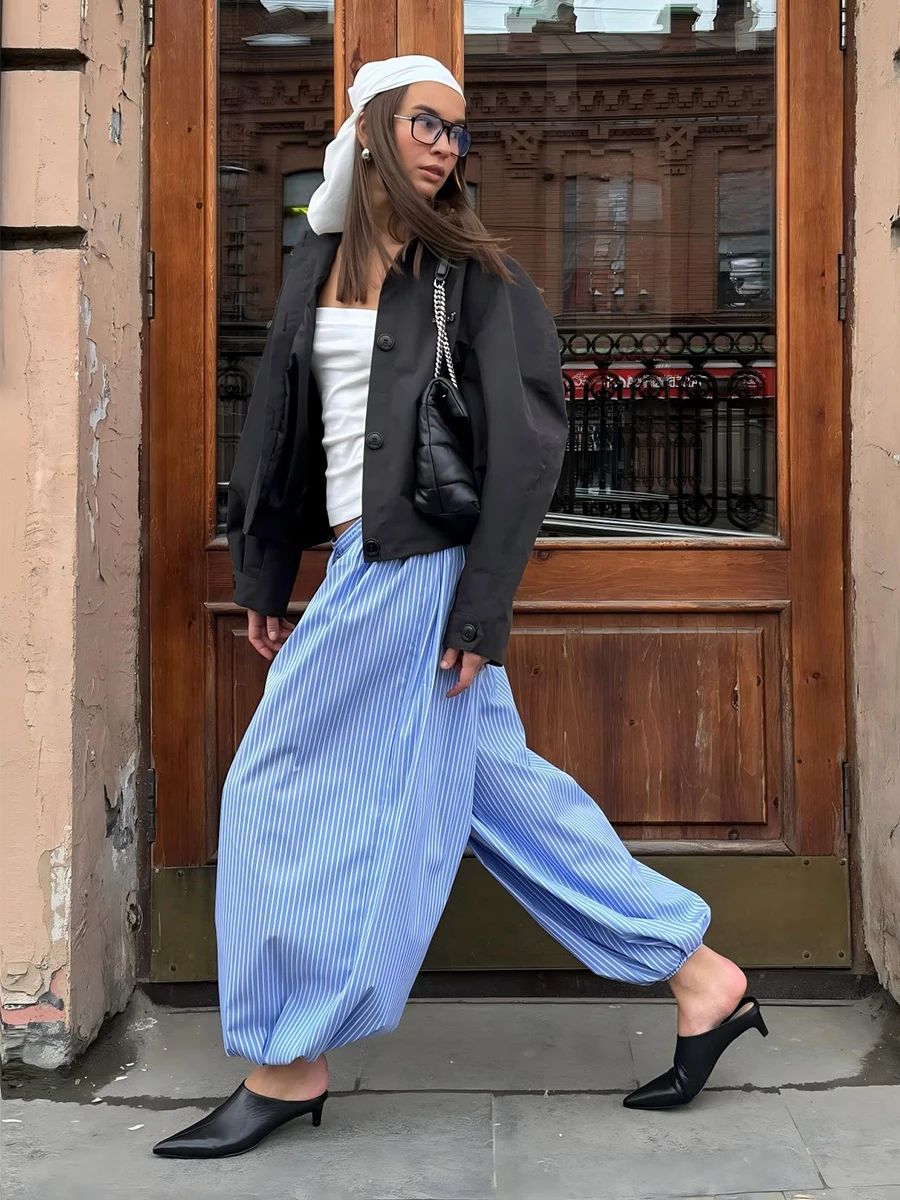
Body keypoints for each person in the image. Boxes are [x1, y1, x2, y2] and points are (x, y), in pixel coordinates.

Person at [152, 54, 767, 1161]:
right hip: (356, 562)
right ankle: (702, 976)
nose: (445, 145)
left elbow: (525, 452)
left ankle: (288, 1062)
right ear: (372, 128)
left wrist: (479, 611)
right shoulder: (316, 260)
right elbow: (281, 427)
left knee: (270, 790)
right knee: (500, 794)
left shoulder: (474, 272)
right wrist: (263, 576)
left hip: (418, 568)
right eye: (426, 123)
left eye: (457, 131)